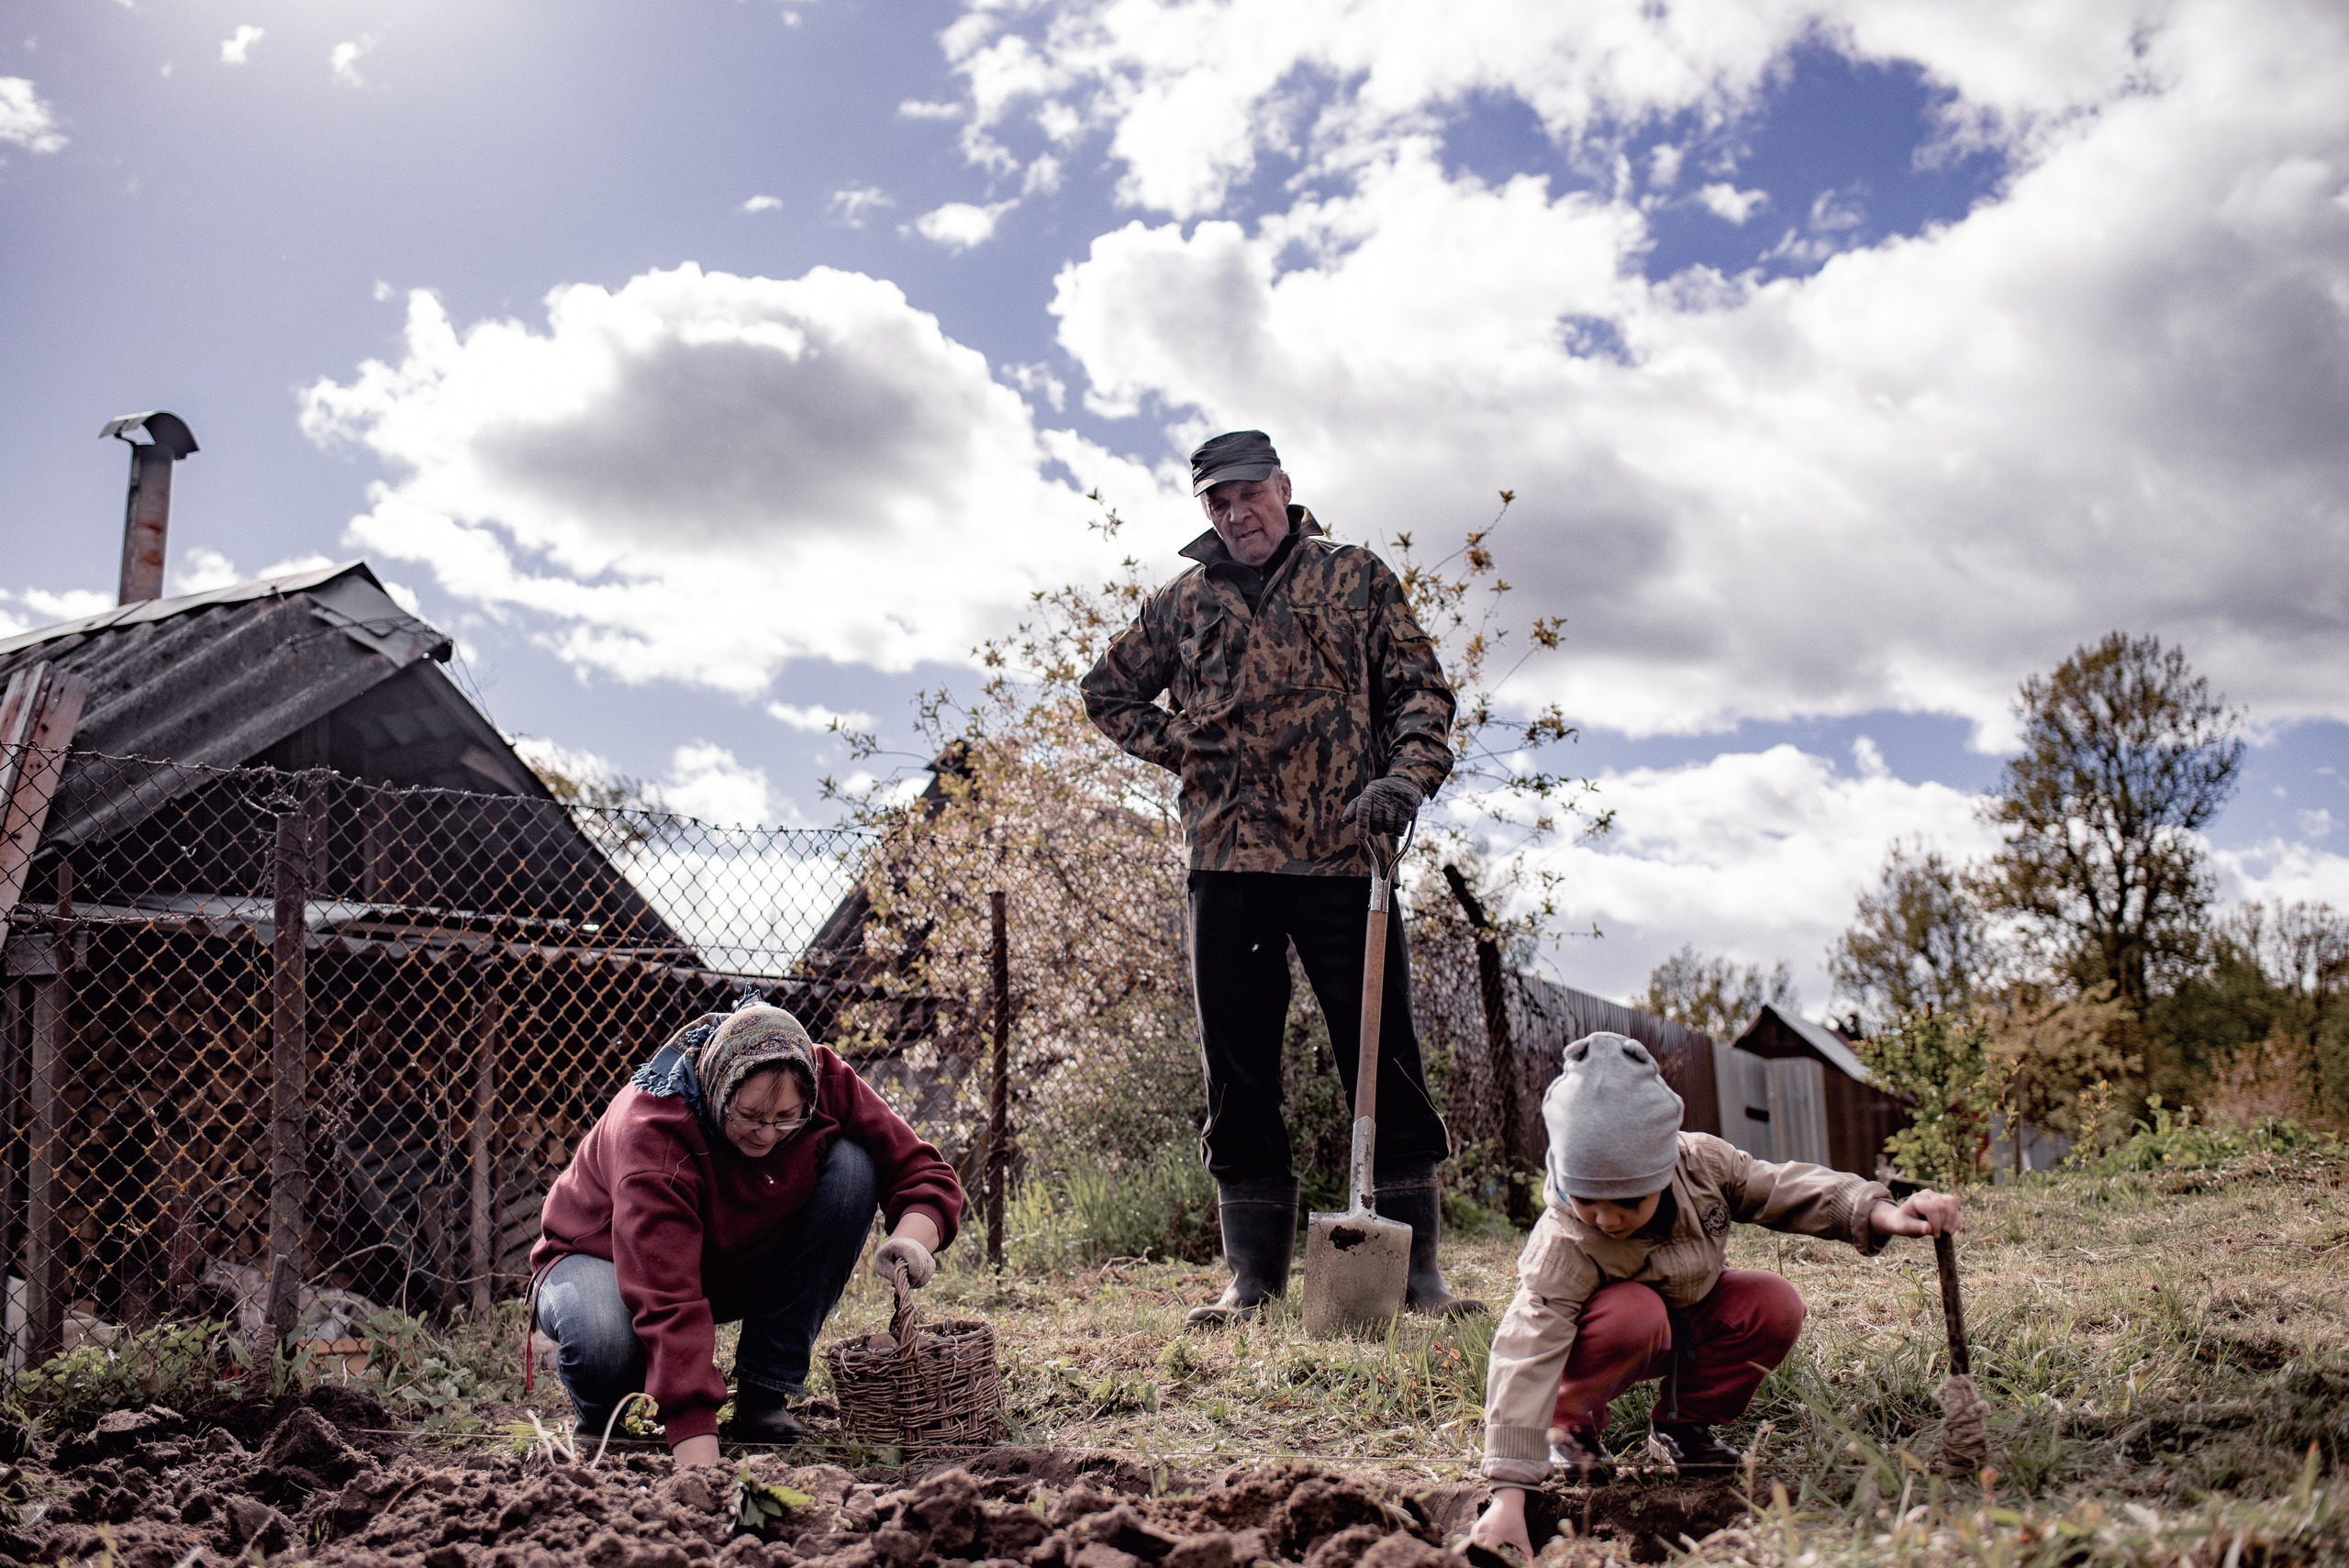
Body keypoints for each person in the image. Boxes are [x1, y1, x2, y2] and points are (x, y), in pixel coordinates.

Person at [1080, 428, 1481, 1325]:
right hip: (1226, 861)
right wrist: (1180, 745)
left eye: (1246, 494)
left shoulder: (1355, 576)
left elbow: (1420, 692)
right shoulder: (1182, 602)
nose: (1234, 513)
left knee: (1385, 1058)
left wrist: (1402, 779)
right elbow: (1104, 693)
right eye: (1217, 502)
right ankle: (1252, 1278)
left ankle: (1414, 1274)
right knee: (1237, 1071)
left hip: (1345, 856)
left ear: (1283, 488)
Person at [1470, 1031, 1961, 1559]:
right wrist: (1508, 1494)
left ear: (1663, 1167)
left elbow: (1784, 1189)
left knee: (1773, 1302)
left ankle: (1682, 1427)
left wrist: (1882, 1212)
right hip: (1614, 1335)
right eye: (1588, 1199)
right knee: (1635, 1312)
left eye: (1629, 1201)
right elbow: (1527, 1348)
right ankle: (1570, 1429)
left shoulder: (1702, 1166)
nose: (1606, 1219)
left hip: (1691, 1315)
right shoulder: (1564, 1241)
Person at [529, 1003, 963, 1465]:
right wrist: (701, 1461)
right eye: (750, 1116)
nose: (766, 1135)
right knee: (604, 1345)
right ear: (719, 1089)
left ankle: (764, 1395)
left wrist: (912, 1240)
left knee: (853, 1165)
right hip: (599, 1259)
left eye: (786, 1118)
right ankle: (607, 1418)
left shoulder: (824, 1079)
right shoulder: (655, 1133)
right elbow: (668, 1299)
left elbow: (923, 1171)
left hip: (722, 1259)